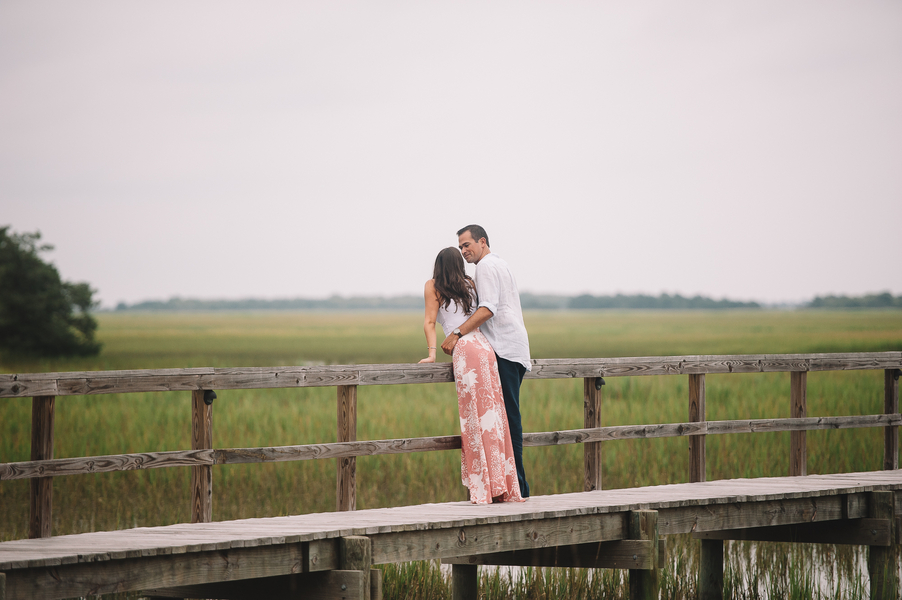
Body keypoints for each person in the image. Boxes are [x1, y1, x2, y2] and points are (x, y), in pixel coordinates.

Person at [419, 247, 523, 504]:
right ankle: (503, 485)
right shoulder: (470, 283)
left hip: (464, 349)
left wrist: (432, 353)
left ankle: (484, 487)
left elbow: (430, 322)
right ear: (459, 264)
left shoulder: (433, 285)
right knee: (494, 416)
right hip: (485, 348)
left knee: (474, 418)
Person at [440, 225, 531, 498]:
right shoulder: (501, 264)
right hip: (513, 348)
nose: (464, 251)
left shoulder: (486, 267)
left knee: (508, 421)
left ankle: (518, 488)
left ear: (482, 241)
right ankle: (513, 487)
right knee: (506, 419)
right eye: (461, 247)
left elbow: (488, 307)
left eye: (467, 245)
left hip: (503, 349)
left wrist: (457, 332)